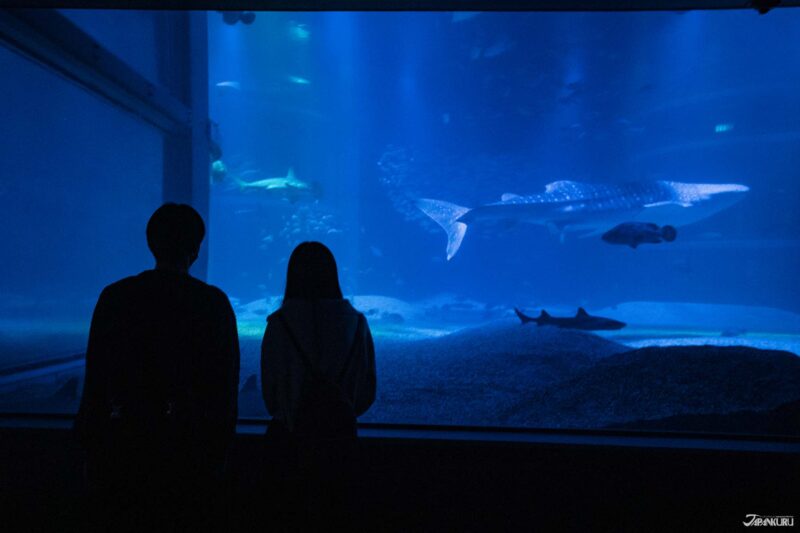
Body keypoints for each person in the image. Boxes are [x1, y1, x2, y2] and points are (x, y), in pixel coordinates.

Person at [74, 203, 240, 532]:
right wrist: (217, 452)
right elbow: (225, 386)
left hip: (125, 445)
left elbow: (96, 378)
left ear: (151, 243)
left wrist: (91, 445)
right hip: (190, 450)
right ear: (195, 249)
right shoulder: (213, 303)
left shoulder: (115, 297)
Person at [261, 241, 376, 529]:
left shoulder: (278, 324)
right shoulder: (357, 323)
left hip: (290, 449)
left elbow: (271, 398)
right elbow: (367, 393)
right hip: (342, 447)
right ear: (333, 275)